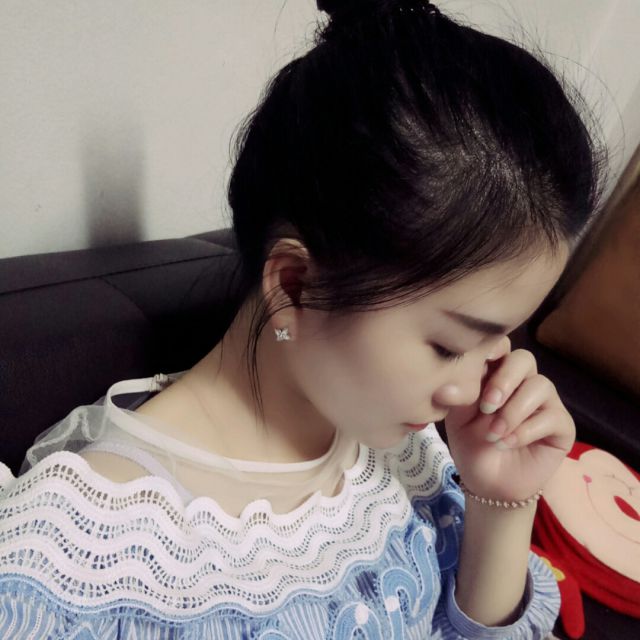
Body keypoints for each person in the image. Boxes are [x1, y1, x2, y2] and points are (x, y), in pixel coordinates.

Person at [0, 0, 607, 637]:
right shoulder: (91, 562)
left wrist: (501, 503)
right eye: (451, 345)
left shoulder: (405, 449)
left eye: (500, 340)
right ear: (294, 286)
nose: (471, 388)